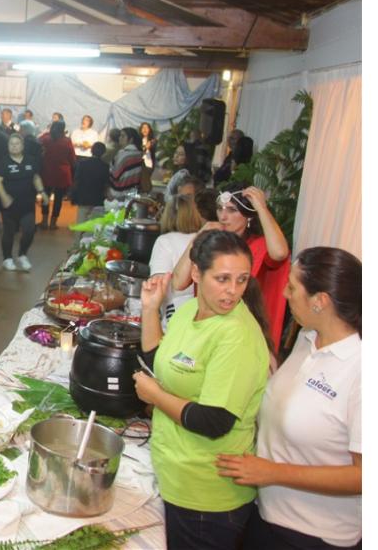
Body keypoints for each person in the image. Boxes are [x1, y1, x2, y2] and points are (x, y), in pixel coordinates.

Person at [133, 230, 271, 550]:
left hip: (206, 498)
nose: (232, 291)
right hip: (176, 476)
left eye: (241, 280)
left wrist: (155, 396)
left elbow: (214, 421)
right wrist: (150, 309)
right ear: (196, 272)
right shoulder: (188, 310)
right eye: (222, 279)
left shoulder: (236, 335)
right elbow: (162, 363)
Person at [218, 247, 362, 550]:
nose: (284, 293)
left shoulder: (360, 370)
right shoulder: (306, 338)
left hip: (313, 535)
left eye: (293, 287)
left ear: (320, 301)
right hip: (267, 513)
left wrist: (272, 472)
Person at [171, 183, 290, 350]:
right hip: (206, 331)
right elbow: (178, 282)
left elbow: (279, 253)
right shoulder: (211, 243)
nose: (223, 217)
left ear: (249, 216)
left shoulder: (260, 245)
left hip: (243, 337)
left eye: (232, 210)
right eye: (220, 208)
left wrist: (261, 208)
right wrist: (198, 237)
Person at [149, 194, 204, 328]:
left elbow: (158, 284)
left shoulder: (165, 241)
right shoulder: (204, 238)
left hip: (174, 314)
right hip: (201, 313)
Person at [0, 133, 47, 272]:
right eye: (11, 144)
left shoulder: (31, 161)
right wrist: (4, 196)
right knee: (9, 232)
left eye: (17, 143)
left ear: (22, 146)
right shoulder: (3, 162)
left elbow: (36, 178)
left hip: (27, 204)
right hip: (9, 205)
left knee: (29, 230)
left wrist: (42, 192)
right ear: (8, 146)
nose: (14, 146)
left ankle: (22, 254)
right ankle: (7, 258)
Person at [38, 120, 75, 229]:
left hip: (47, 172)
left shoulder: (45, 139)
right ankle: (53, 223)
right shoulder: (67, 141)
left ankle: (44, 221)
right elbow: (72, 159)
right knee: (58, 199)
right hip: (62, 174)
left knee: (45, 197)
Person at [70, 141, 111, 224]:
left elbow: (77, 179)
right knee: (94, 223)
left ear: (91, 150)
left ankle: (79, 236)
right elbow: (106, 184)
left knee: (81, 220)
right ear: (104, 153)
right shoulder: (106, 166)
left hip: (83, 197)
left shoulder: (82, 163)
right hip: (98, 198)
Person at [110, 127, 148, 197]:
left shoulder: (122, 154)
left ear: (131, 139)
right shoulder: (140, 154)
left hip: (118, 193)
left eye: (123, 136)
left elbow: (114, 174)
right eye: (120, 136)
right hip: (134, 193)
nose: (120, 138)